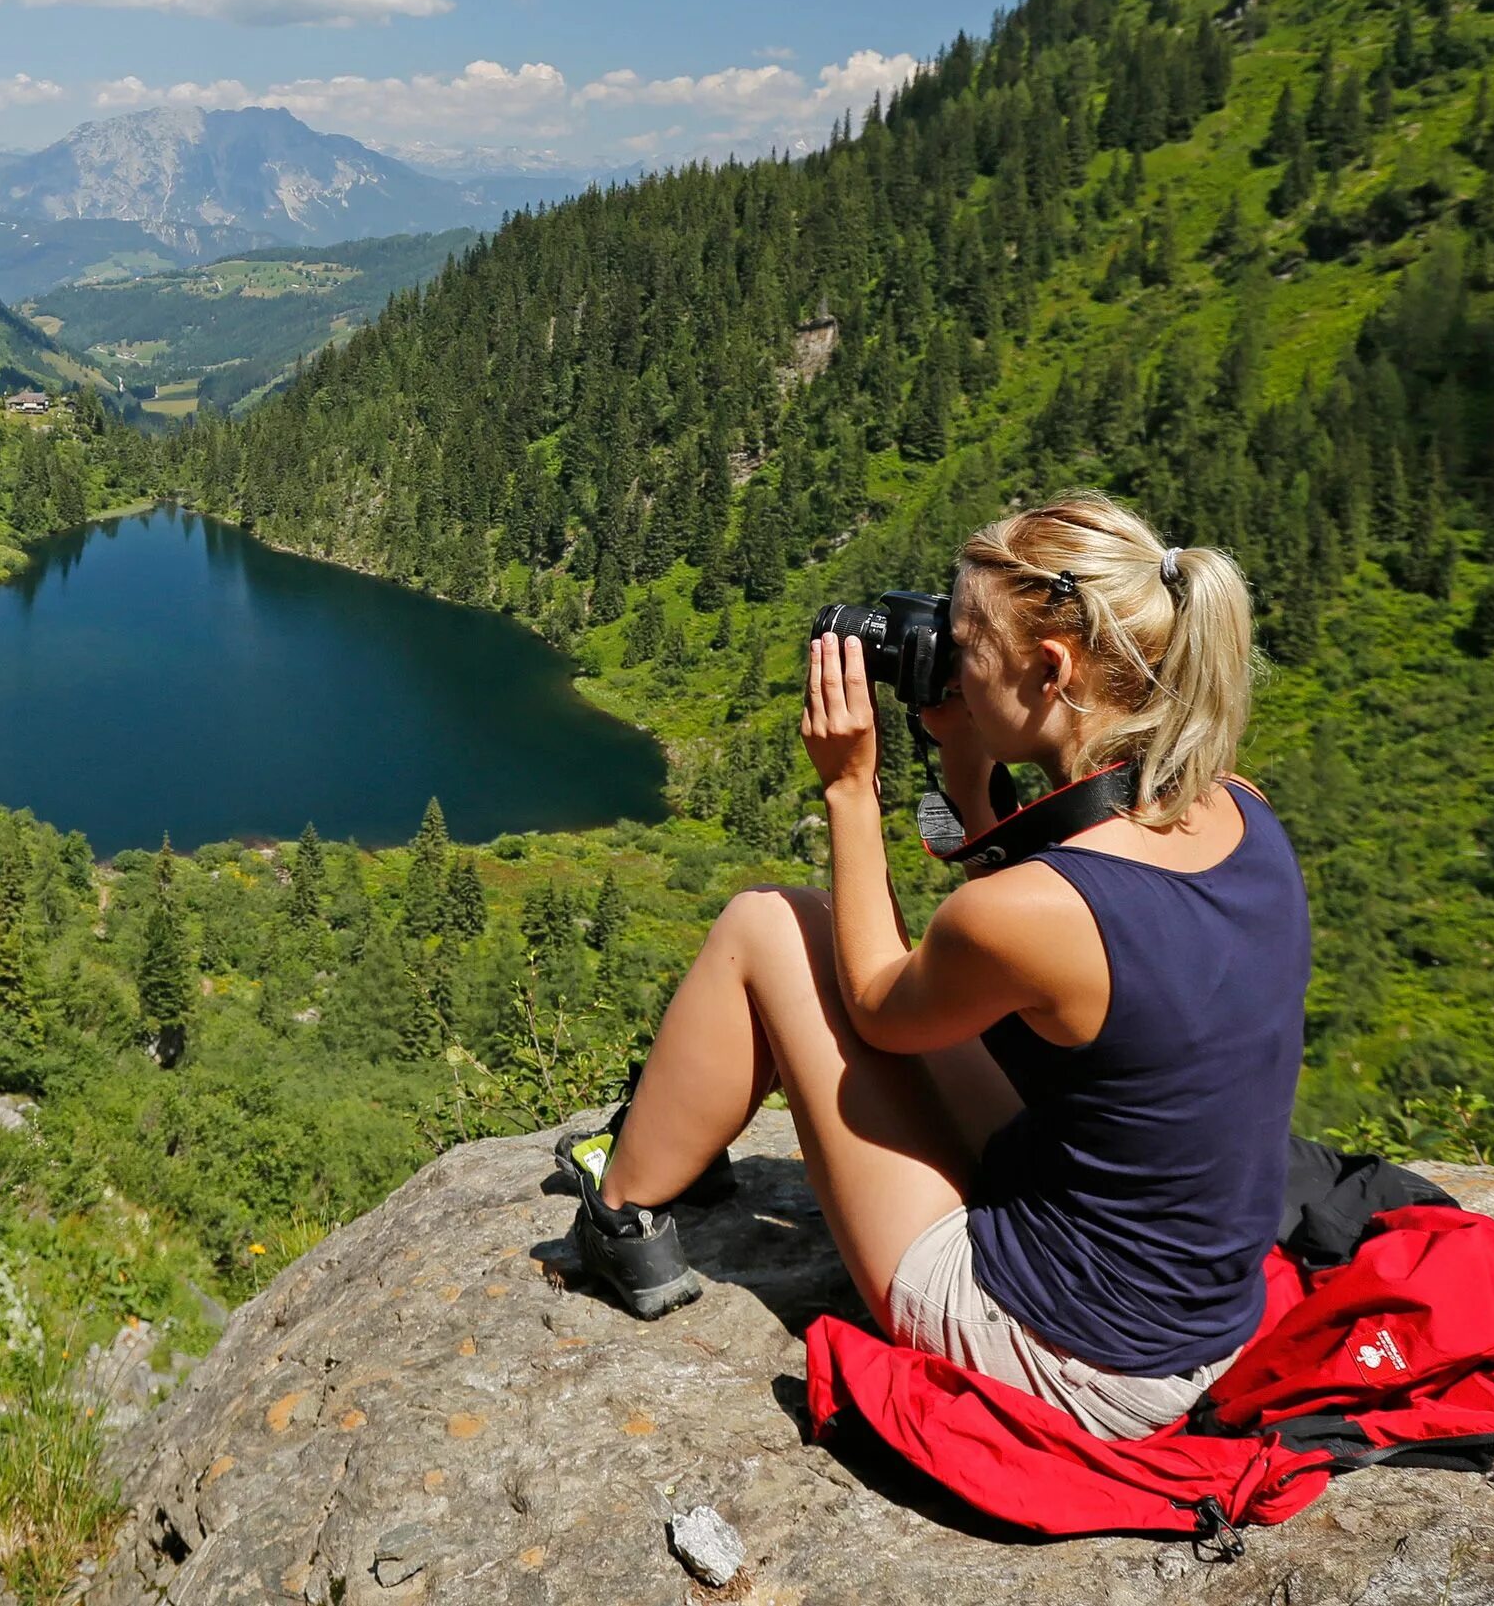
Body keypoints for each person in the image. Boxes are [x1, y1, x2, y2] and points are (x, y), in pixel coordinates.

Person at [559, 492, 1309, 1441]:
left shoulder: (1035, 912)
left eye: (966, 644)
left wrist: (847, 786)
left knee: (771, 922)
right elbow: (1033, 942)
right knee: (846, 949)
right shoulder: (1237, 807)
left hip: (1069, 1354)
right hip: (1200, 1318)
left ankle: (618, 1209)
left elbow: (877, 1004)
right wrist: (966, 770)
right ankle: (674, 1149)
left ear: (1051, 667)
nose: (950, 665)